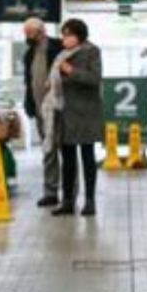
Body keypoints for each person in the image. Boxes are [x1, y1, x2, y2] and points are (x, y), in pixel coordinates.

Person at [44, 18, 103, 217]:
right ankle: (67, 200)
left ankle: (90, 201)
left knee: (87, 157)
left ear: (79, 35)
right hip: (64, 111)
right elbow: (54, 78)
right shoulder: (61, 55)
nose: (65, 39)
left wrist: (70, 71)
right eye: (64, 35)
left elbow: (94, 78)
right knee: (67, 158)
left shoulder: (92, 51)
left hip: (86, 113)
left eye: (69, 35)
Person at [22, 17, 62, 207]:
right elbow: (28, 82)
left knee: (66, 151)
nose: (27, 37)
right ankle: (50, 191)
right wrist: (29, 105)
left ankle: (69, 193)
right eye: (26, 33)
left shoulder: (58, 48)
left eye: (30, 33)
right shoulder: (29, 54)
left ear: (41, 31)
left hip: (59, 109)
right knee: (48, 151)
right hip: (40, 111)